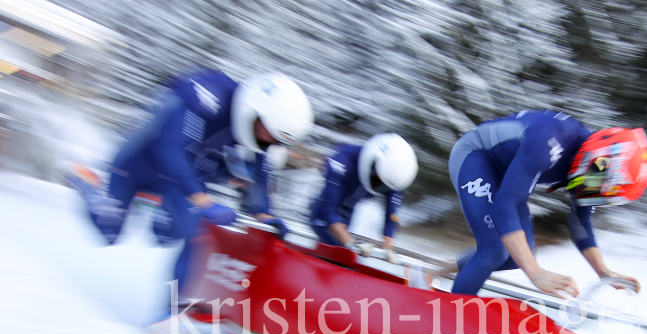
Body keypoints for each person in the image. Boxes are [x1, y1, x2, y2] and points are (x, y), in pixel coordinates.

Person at [65, 68, 313, 304]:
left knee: (184, 234)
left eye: (276, 139)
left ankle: (173, 310)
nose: (268, 141)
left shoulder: (260, 137)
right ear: (254, 109)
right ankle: (90, 181)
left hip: (179, 184)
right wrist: (203, 200)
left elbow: (261, 179)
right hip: (140, 164)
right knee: (107, 230)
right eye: (269, 132)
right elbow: (168, 147)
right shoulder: (209, 94)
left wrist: (265, 216)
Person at [444, 110, 647, 297]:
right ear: (598, 160)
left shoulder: (594, 165)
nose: (593, 193)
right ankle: (448, 323)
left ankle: (432, 272)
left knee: (515, 257)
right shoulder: (552, 140)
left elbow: (579, 221)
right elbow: (504, 207)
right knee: (495, 250)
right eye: (598, 186)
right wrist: (535, 272)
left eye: (602, 194)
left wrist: (603, 272)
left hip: (506, 175)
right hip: (475, 155)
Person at [309, 133, 418, 262]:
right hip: (326, 208)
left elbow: (391, 217)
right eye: (377, 180)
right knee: (338, 245)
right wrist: (351, 243)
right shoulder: (344, 159)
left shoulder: (394, 179)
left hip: (347, 213)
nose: (379, 186)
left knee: (347, 254)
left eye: (384, 186)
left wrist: (388, 250)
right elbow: (328, 210)